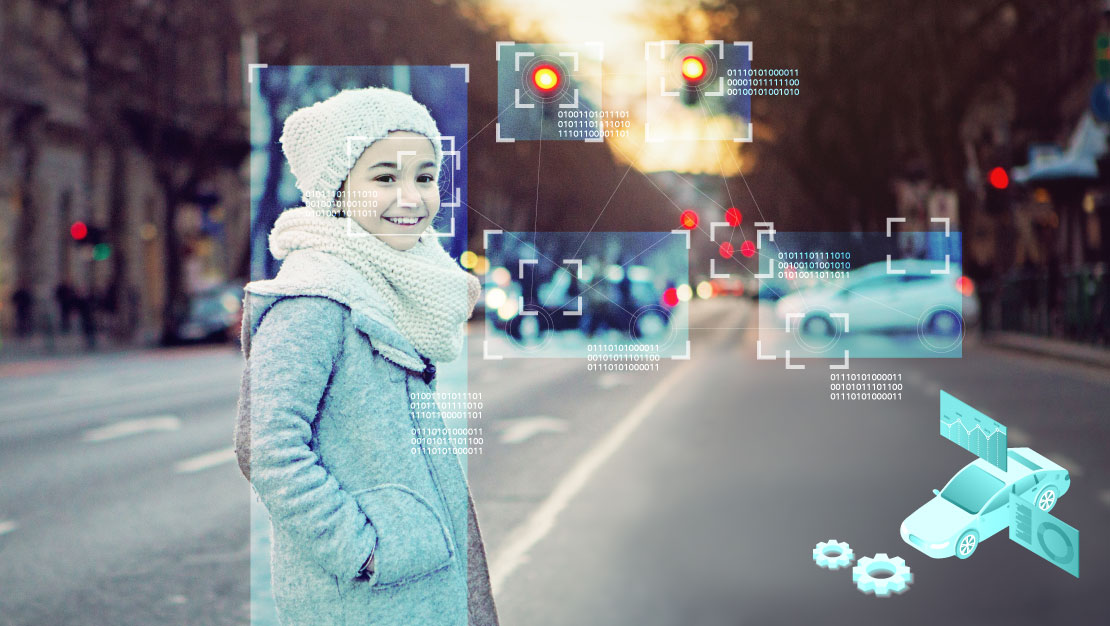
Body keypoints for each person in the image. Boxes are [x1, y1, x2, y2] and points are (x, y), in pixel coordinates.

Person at [234, 87, 498, 626]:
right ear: (337, 191)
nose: (412, 196)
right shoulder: (313, 297)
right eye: (384, 177)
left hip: (416, 588)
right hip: (366, 601)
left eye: (424, 177)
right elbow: (264, 445)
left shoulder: (390, 285)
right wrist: (361, 550)